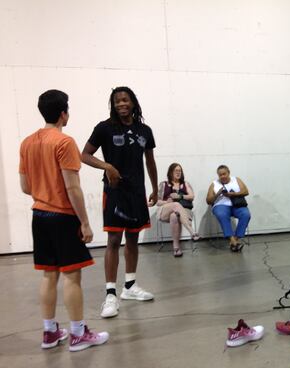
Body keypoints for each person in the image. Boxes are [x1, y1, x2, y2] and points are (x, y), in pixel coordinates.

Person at [19, 90, 109, 351]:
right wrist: (85, 222)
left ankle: (49, 332)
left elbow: (25, 186)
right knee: (72, 277)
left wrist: (43, 191)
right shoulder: (64, 142)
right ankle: (78, 334)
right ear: (63, 113)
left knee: (49, 276)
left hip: (39, 215)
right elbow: (73, 188)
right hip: (62, 217)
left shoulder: (27, 143)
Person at [82, 87, 158, 318]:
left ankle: (130, 287)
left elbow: (150, 161)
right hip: (115, 192)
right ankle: (110, 295)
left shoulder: (144, 130)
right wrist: (107, 166)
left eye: (125, 100)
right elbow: (84, 154)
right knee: (114, 240)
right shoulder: (104, 128)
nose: (121, 104)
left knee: (133, 238)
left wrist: (155, 188)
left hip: (136, 192)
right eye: (116, 101)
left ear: (133, 102)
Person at [156, 163, 200, 257]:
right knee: (176, 204)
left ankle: (176, 248)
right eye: (176, 170)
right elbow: (157, 202)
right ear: (170, 172)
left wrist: (180, 196)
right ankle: (192, 232)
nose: (178, 172)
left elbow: (192, 196)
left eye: (179, 170)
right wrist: (166, 202)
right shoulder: (163, 184)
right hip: (165, 211)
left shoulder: (185, 184)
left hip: (183, 211)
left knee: (174, 216)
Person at [205, 165, 251, 252]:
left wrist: (233, 194)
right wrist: (217, 194)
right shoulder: (214, 184)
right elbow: (208, 201)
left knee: (246, 214)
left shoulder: (236, 180)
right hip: (221, 205)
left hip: (237, 205)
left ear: (228, 173)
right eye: (220, 175)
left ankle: (234, 240)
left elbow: (246, 191)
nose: (222, 176)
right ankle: (233, 240)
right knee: (222, 214)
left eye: (224, 174)